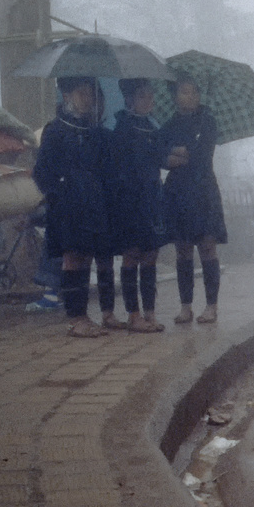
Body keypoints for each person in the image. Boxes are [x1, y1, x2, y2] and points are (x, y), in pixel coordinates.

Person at [32, 77, 114, 337]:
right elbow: (42, 172)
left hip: (92, 202)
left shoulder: (92, 131)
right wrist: (60, 191)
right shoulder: (55, 130)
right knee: (72, 258)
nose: (87, 99)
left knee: (87, 256)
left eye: (90, 94)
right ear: (67, 96)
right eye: (81, 93)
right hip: (67, 205)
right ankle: (75, 317)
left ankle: (85, 315)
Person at [161, 75, 227, 324]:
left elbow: (201, 153)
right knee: (183, 249)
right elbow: (159, 152)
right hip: (178, 191)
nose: (190, 97)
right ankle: (185, 306)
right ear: (175, 96)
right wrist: (172, 155)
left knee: (207, 246)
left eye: (193, 92)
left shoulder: (207, 121)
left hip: (203, 189)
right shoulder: (168, 124)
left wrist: (179, 151)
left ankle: (211, 306)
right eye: (184, 92)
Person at [109, 79, 168, 333]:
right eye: (142, 96)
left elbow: (160, 159)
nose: (148, 101)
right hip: (129, 200)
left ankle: (150, 312)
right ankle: (133, 315)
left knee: (151, 254)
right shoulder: (122, 128)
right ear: (130, 99)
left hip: (152, 197)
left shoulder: (152, 129)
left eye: (150, 96)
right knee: (132, 254)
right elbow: (119, 167)